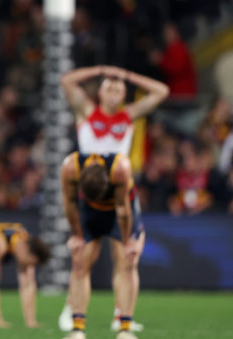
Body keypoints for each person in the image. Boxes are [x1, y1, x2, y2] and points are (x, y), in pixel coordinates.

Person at [59, 65, 169, 332]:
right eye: (109, 86)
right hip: (92, 190)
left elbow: (162, 91)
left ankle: (121, 316)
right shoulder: (86, 110)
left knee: (126, 259)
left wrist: (128, 75)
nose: (114, 90)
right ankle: (72, 310)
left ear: (124, 95)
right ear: (99, 91)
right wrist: (99, 70)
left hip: (121, 187)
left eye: (119, 88)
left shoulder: (128, 115)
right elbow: (66, 81)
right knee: (83, 258)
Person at [60, 152, 144, 339]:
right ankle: (78, 329)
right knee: (80, 262)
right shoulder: (70, 167)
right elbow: (69, 202)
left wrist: (128, 240)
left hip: (120, 209)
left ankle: (125, 329)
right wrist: (77, 236)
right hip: (89, 212)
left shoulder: (120, 168)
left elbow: (123, 209)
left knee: (126, 263)